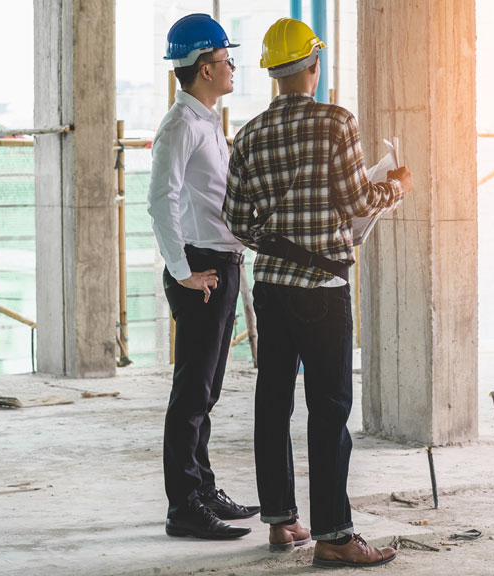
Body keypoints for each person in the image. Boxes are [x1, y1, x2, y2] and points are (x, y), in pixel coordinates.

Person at [222, 17, 413, 567]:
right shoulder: (336, 122)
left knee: (272, 403)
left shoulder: (250, 134)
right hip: (324, 289)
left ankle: (282, 523)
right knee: (328, 410)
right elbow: (357, 201)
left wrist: (275, 241)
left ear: (273, 74)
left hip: (271, 289)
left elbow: (236, 220)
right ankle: (333, 534)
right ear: (314, 65)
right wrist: (396, 186)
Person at [148, 13, 259, 540]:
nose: (232, 66)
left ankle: (202, 488)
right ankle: (184, 508)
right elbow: (160, 201)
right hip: (202, 268)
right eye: (225, 59)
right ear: (205, 68)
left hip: (222, 263)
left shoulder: (207, 121)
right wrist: (183, 271)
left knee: (207, 389)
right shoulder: (180, 127)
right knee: (192, 391)